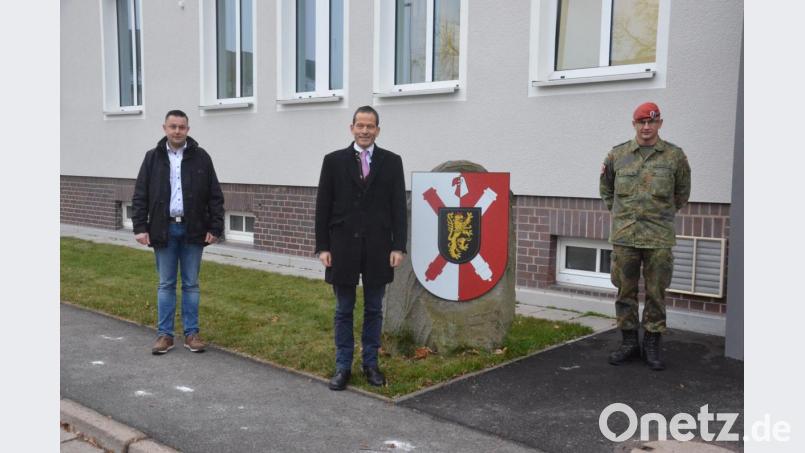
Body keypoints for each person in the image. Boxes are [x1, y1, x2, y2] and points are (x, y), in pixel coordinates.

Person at [314, 106, 407, 390]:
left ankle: (370, 364)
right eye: (360, 125)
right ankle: (343, 366)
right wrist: (323, 246)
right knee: (344, 309)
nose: (365, 131)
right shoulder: (333, 161)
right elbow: (323, 207)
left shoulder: (392, 162)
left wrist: (398, 246)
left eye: (370, 126)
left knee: (374, 309)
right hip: (342, 247)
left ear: (378, 130)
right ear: (351, 127)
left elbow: (398, 208)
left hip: (379, 247)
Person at [600, 102, 691, 371]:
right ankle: (629, 342)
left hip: (659, 239)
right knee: (625, 292)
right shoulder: (617, 155)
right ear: (634, 125)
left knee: (656, 293)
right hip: (625, 237)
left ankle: (652, 343)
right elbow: (607, 191)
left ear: (660, 123)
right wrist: (623, 215)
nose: (647, 127)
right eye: (642, 122)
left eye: (652, 122)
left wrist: (660, 215)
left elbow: (682, 194)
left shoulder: (674, 157)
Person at [132, 110, 224, 355]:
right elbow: (141, 194)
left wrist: (216, 227)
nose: (177, 131)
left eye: (181, 127)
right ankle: (165, 335)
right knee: (166, 284)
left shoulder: (201, 157)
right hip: (164, 228)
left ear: (188, 129)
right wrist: (140, 227)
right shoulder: (152, 158)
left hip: (194, 228)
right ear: (164, 128)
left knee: (192, 284)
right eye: (172, 126)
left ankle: (192, 334)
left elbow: (215, 195)